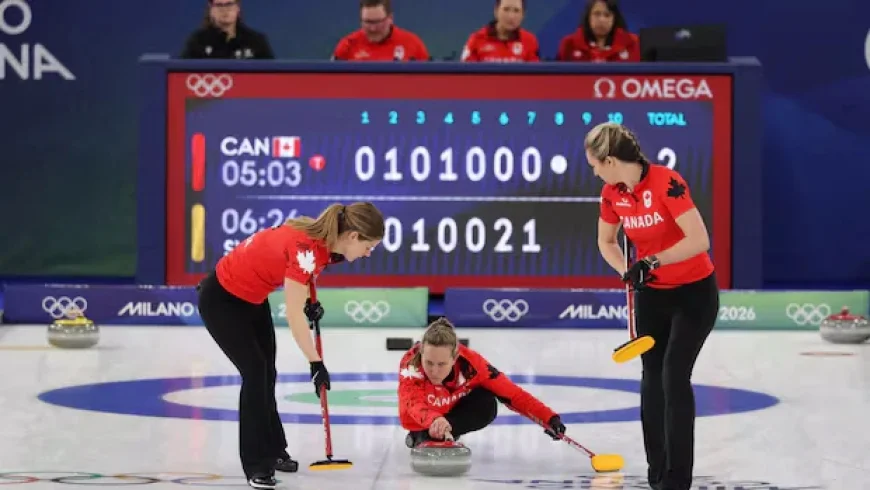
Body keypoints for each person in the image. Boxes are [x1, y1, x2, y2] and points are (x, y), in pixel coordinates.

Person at [196, 202, 384, 489]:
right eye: (368, 247)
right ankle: (256, 465)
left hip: (252, 298)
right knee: (255, 373)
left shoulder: (323, 243)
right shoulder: (306, 250)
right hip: (222, 301)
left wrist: (310, 301)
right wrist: (315, 362)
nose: (368, 253)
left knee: (266, 373)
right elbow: (294, 316)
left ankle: (274, 450)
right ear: (353, 236)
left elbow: (301, 276)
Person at [586, 122, 719, 490]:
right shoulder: (611, 194)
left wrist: (652, 261)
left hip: (694, 294)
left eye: (595, 165)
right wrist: (627, 271)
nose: (594, 173)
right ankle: (657, 473)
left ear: (610, 161)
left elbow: (699, 240)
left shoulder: (666, 182)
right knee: (652, 381)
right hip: (652, 296)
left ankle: (678, 479)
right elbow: (606, 241)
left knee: (674, 376)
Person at [398, 317, 566, 448]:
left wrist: (549, 418)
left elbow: (513, 394)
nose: (434, 371)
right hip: (421, 418)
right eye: (428, 363)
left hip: (449, 414)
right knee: (417, 408)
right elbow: (413, 403)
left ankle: (444, 430)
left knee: (487, 402)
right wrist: (434, 420)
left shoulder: (474, 365)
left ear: (455, 358)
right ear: (421, 354)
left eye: (441, 364)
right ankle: (422, 434)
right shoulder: (411, 365)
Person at [332, 0, 430, 61]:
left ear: (390, 18)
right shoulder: (347, 46)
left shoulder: (413, 44)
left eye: (378, 22)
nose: (373, 28)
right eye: (368, 22)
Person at [180, 0, 274, 60]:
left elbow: (271, 74)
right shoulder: (198, 41)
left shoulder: (256, 41)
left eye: (229, 4)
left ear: (238, 7)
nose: (225, 10)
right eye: (219, 5)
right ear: (211, 9)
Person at [557, 0, 639, 62]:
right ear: (588, 17)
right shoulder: (569, 44)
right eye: (597, 14)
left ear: (614, 19)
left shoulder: (632, 43)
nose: (602, 20)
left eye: (607, 15)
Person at [460, 0, 540, 63]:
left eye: (516, 11)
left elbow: (535, 76)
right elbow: (465, 74)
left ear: (523, 15)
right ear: (496, 11)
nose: (511, 16)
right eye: (506, 9)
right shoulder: (477, 39)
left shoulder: (530, 41)